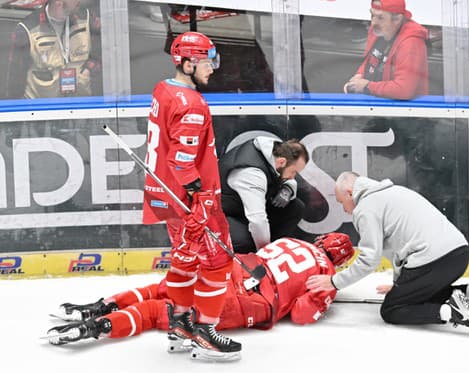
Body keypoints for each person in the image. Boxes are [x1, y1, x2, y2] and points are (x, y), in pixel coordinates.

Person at [45, 234, 355, 355]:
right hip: (251, 298)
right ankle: (95, 328)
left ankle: (96, 307)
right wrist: (324, 303)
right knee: (158, 312)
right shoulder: (326, 271)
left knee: (163, 289)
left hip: (236, 267)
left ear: (322, 239)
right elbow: (301, 315)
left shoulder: (292, 240)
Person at [141, 31, 241, 361]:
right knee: (217, 262)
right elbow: (181, 160)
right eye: (206, 60)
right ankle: (205, 333)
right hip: (190, 201)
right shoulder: (193, 105)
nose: (213, 67)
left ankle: (180, 325)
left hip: (163, 195)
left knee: (184, 260)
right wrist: (200, 196)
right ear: (186, 63)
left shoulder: (162, 88)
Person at [306, 171, 469, 337]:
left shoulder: (365, 208)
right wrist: (400, 286)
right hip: (459, 254)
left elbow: (369, 260)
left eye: (342, 202)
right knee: (411, 295)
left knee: (392, 309)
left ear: (350, 193)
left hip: (435, 260)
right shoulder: (394, 191)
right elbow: (401, 247)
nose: (345, 210)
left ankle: (452, 312)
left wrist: (333, 282)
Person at [219, 137, 309, 254]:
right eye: (294, 172)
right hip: (225, 215)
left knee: (295, 207)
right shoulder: (251, 174)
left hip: (244, 208)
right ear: (281, 162)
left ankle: (276, 248)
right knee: (245, 241)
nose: (293, 177)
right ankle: (253, 261)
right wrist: (265, 254)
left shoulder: (274, 150)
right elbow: (257, 220)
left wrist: (288, 189)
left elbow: (285, 177)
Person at [5, 0, 102, 99]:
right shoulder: (27, 29)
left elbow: (104, 51)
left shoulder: (87, 18)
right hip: (41, 108)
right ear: (59, 2)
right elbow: (14, 81)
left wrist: (89, 69)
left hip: (82, 103)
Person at [343, 0, 428, 100]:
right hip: (374, 101)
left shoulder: (411, 42)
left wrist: (366, 86)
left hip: (401, 111)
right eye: (372, 15)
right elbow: (372, 58)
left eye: (380, 17)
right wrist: (359, 76)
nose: (373, 22)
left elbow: (403, 90)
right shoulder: (380, 29)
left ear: (397, 19)